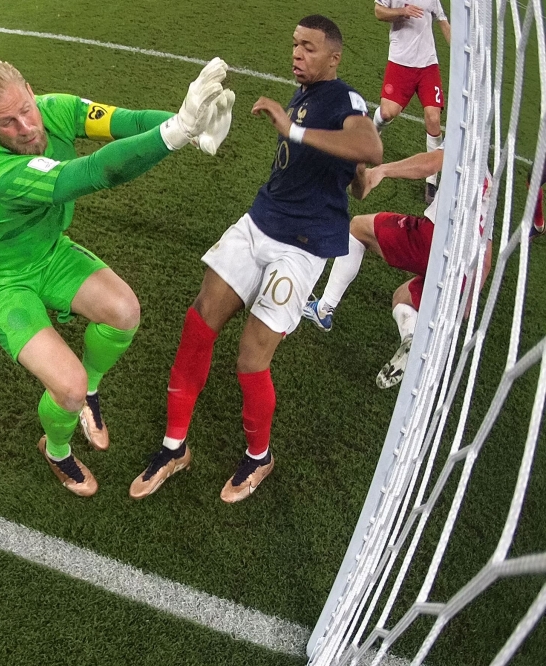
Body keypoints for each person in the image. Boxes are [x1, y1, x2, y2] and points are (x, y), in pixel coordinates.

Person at [0, 58, 235, 496]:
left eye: (26, 107)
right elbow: (97, 171)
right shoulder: (0, 174)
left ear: (30, 86)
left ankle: (91, 395)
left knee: (123, 312)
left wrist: (188, 128)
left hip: (44, 251)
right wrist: (175, 134)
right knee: (66, 387)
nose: (26, 126)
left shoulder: (55, 109)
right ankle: (57, 449)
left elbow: (127, 122)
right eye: (7, 122)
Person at [128, 15, 383, 503]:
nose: (297, 54)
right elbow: (348, 162)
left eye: (308, 48)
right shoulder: (304, 93)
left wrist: (295, 131)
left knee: (251, 358)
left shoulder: (344, 97)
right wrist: (351, 175)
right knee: (200, 321)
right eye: (294, 45)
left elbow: (368, 144)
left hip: (302, 248)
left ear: (335, 57)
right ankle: (174, 446)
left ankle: (258, 455)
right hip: (259, 222)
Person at [302, 148, 494, 388]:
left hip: (435, 241)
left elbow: (431, 163)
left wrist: (382, 170)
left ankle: (324, 309)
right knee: (403, 298)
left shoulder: (466, 146)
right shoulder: (489, 185)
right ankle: (411, 340)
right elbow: (486, 257)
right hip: (463, 270)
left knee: (358, 228)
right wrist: (468, 300)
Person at [373, 0, 451, 204]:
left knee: (433, 118)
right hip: (400, 62)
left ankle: (431, 180)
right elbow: (379, 12)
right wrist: (402, 11)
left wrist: (463, 55)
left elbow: (443, 21)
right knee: (387, 113)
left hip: (428, 65)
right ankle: (373, 132)